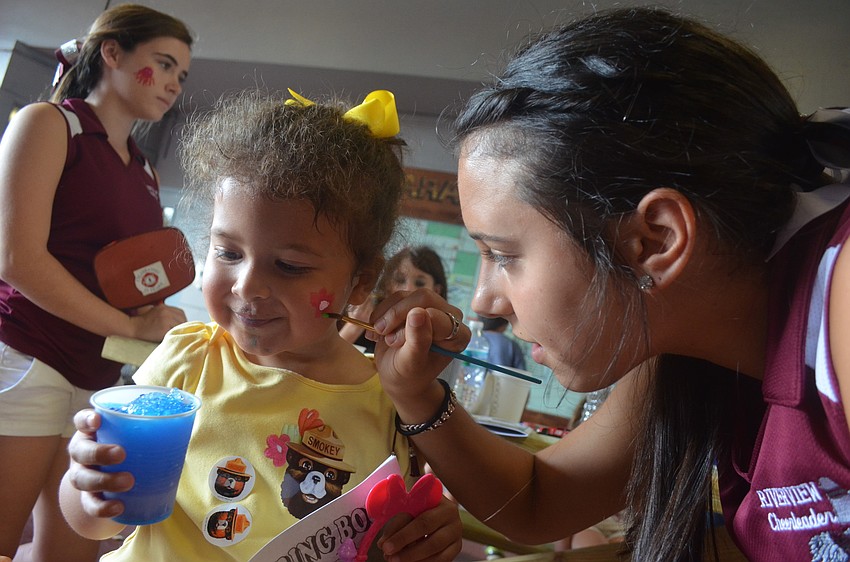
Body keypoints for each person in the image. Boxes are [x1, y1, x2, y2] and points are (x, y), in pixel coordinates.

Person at [367, 6, 850, 562]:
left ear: (655, 241)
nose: (485, 300)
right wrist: (415, 392)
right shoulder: (686, 331)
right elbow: (543, 500)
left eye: (503, 255)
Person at [59, 88, 462, 562]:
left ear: (361, 282)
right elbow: (96, 522)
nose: (247, 286)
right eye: (228, 253)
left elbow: (390, 532)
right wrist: (90, 489)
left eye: (289, 266)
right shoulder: (190, 360)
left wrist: (425, 534)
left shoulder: (388, 400)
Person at [0, 5, 191, 561]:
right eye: (164, 63)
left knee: (74, 553)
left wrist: (159, 317)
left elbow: (129, 278)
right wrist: (130, 326)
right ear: (112, 53)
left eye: (182, 74)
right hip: (26, 357)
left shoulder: (144, 169)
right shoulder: (48, 123)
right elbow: (17, 259)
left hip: (99, 377)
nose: (175, 83)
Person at [340, 246, 448, 354]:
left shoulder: (441, 333)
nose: (407, 289)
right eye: (400, 280)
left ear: (436, 290)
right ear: (387, 284)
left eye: (419, 283)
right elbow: (326, 363)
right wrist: (354, 327)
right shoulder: (366, 318)